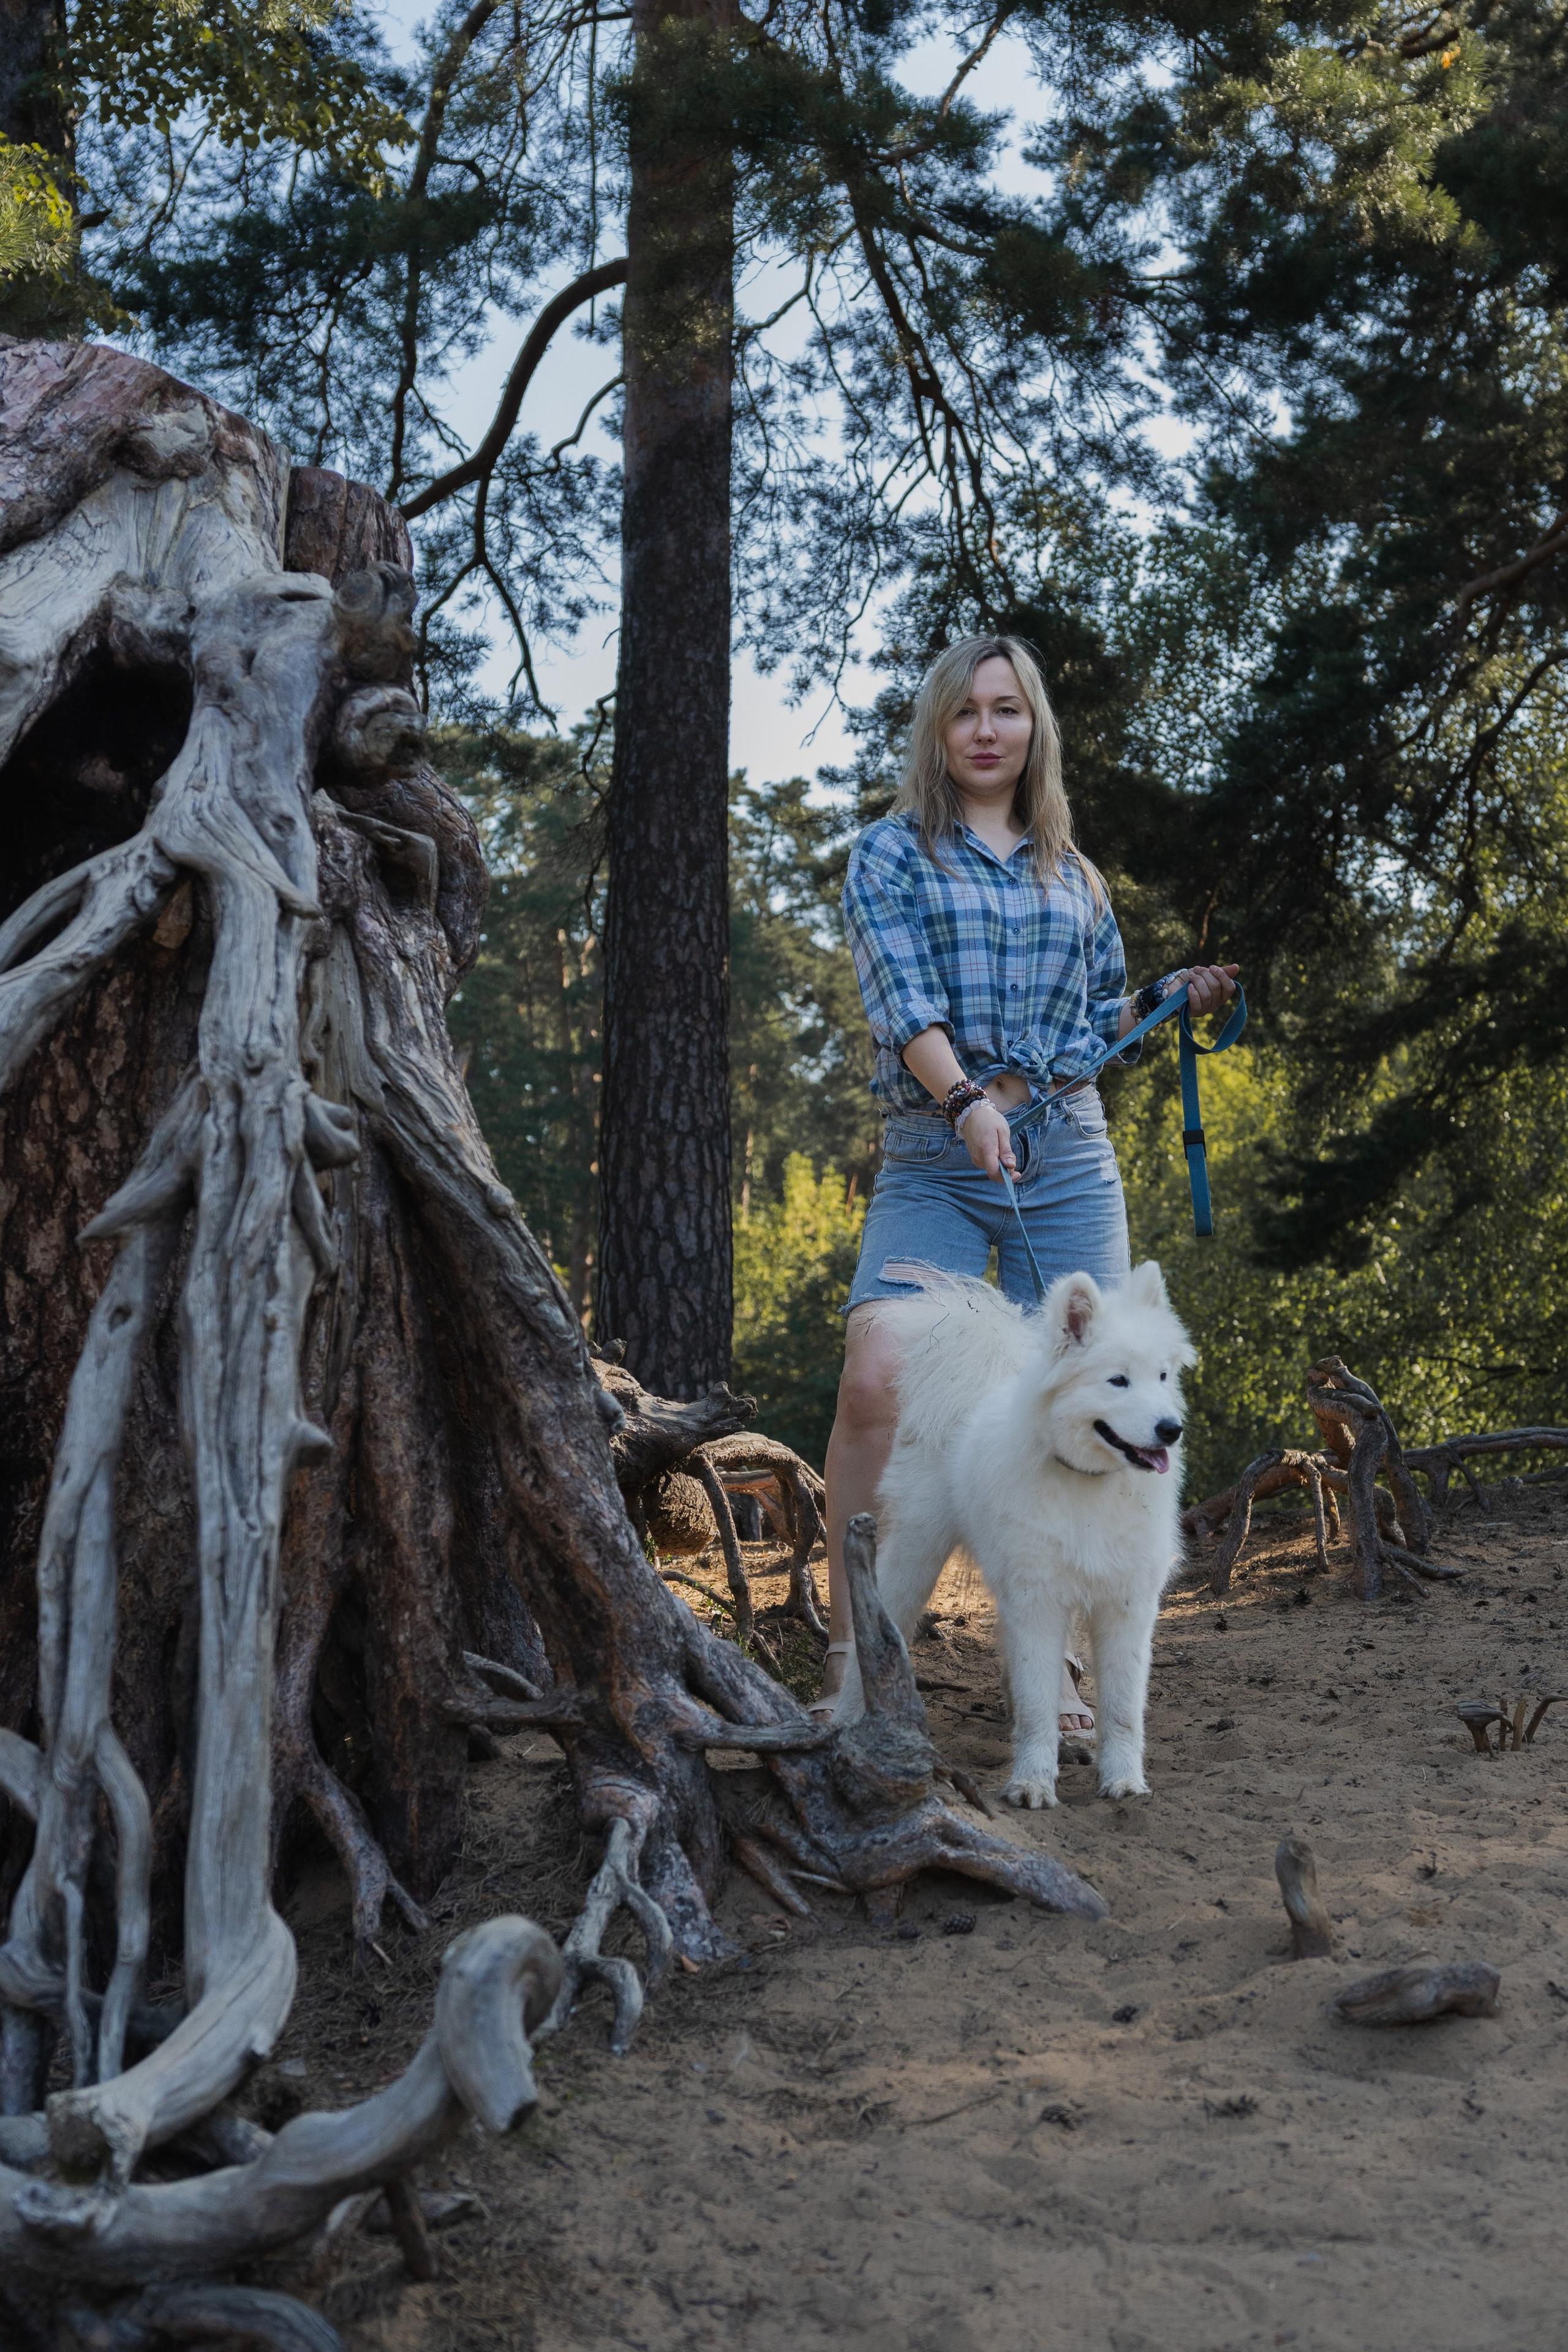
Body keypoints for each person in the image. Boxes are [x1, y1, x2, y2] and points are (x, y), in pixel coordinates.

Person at [815, 634, 1238, 1725]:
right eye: (966, 714)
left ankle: (1060, 1666)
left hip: (1066, 1158)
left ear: (1034, 727)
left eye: (1007, 711)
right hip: (933, 1157)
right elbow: (902, 1002)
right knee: (876, 1384)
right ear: (938, 731)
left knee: (1094, 1398)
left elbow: (1094, 1023)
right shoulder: (889, 854)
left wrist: (1165, 994)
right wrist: (964, 1105)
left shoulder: (1076, 875)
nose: (988, 732)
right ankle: (853, 1647)